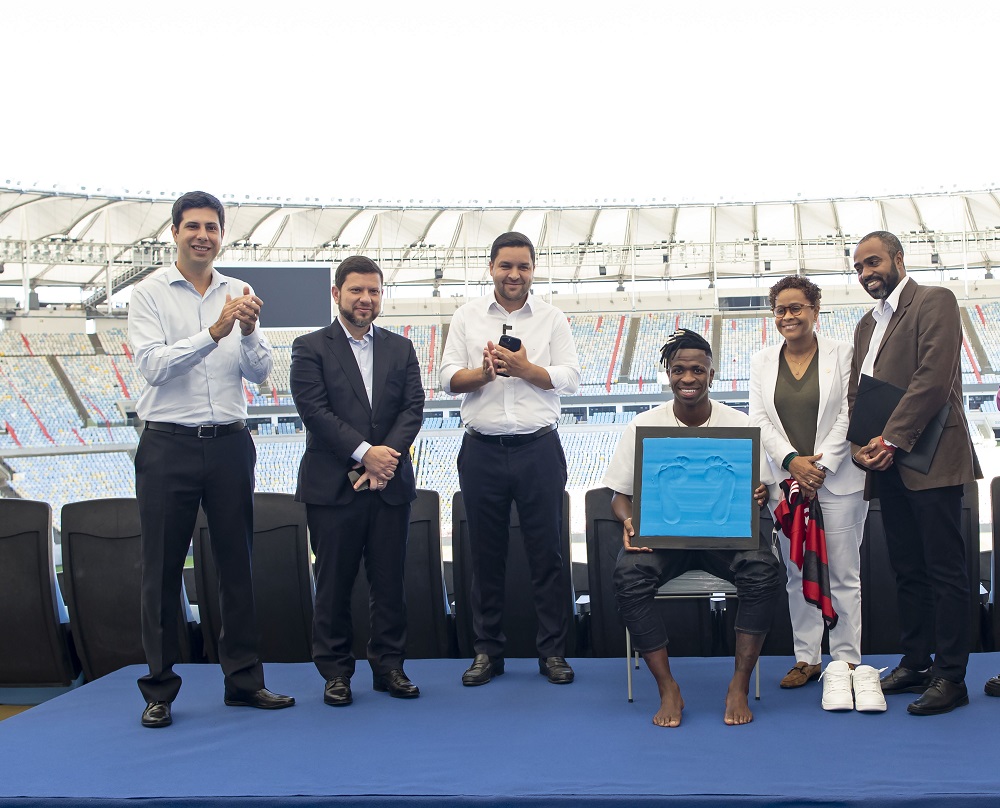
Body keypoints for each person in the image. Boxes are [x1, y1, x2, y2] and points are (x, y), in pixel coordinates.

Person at [128, 190, 294, 728]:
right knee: (161, 569)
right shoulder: (149, 294)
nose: (203, 235)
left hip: (228, 442)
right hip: (167, 444)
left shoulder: (239, 291)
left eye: (212, 227)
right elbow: (153, 366)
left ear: (223, 235)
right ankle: (159, 691)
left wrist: (246, 332)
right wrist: (215, 330)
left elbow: (258, 372)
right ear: (174, 232)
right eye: (193, 226)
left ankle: (245, 682)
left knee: (237, 567)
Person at [604, 329, 782, 727]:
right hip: (667, 538)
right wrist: (629, 520)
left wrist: (757, 494)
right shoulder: (643, 426)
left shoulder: (738, 424)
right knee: (627, 577)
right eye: (679, 369)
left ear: (712, 374)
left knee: (764, 570)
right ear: (667, 372)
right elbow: (619, 496)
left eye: (697, 370)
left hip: (726, 536)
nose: (688, 378)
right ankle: (668, 687)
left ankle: (739, 683)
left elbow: (764, 490)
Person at [439, 231, 581, 686]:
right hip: (481, 449)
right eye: (506, 266)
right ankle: (487, 651)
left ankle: (553, 653)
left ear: (533, 269)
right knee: (485, 556)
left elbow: (571, 378)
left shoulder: (553, 318)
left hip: (539, 448)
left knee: (549, 556)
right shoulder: (466, 316)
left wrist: (525, 370)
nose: (514, 274)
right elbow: (447, 380)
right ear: (492, 267)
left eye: (522, 266)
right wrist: (484, 373)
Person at [849, 231, 981, 715]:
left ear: (899, 258)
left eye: (874, 262)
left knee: (944, 569)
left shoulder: (934, 300)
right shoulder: (866, 325)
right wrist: (864, 443)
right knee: (906, 567)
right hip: (887, 461)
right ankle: (916, 661)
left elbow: (934, 376)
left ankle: (951, 676)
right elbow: (857, 391)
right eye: (859, 268)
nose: (867, 273)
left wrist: (890, 439)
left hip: (932, 456)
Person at [290, 256, 424, 706]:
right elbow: (315, 412)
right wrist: (366, 454)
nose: (366, 299)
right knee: (333, 584)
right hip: (333, 488)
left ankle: (390, 667)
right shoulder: (309, 347)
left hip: (389, 486)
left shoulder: (401, 348)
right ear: (336, 294)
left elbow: (412, 407)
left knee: (389, 584)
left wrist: (386, 459)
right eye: (356, 291)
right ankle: (336, 673)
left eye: (374, 291)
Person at [749, 277, 883, 712]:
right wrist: (792, 463)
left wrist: (819, 467)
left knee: (845, 575)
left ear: (814, 309)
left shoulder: (842, 353)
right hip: (787, 486)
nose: (788, 316)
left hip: (837, 481)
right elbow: (759, 420)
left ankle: (844, 661)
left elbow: (850, 412)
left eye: (797, 308)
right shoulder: (762, 360)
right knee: (796, 573)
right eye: (781, 309)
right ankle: (806, 658)